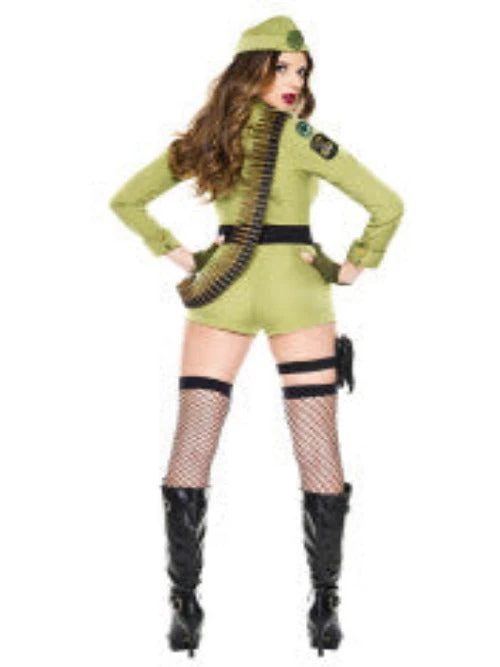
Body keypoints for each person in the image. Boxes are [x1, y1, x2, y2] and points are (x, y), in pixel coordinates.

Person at [109, 15, 404, 657]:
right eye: (283, 68)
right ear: (254, 70)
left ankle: (184, 609)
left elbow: (126, 201)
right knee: (317, 448)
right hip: (298, 293)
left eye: (302, 71)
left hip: (221, 292)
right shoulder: (298, 137)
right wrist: (351, 266)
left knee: (193, 444)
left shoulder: (209, 136)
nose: (295, 80)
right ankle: (324, 608)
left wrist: (183, 256)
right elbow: (388, 205)